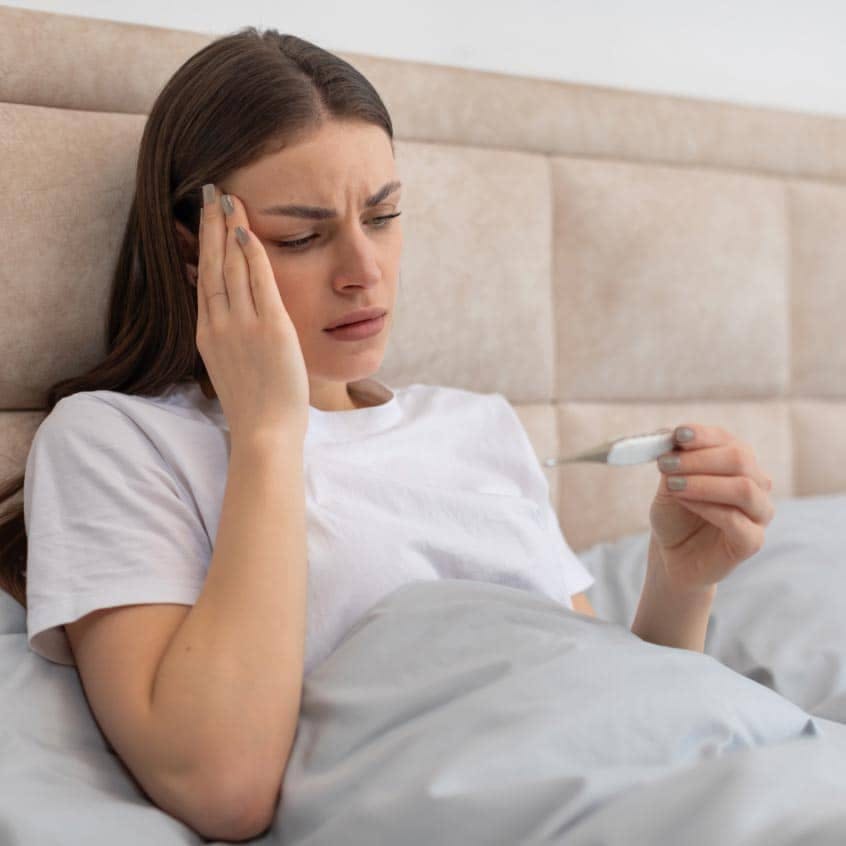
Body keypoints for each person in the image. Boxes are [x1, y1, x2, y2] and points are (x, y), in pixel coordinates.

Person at [5, 27, 601, 841]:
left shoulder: (477, 424)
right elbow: (222, 788)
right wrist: (268, 434)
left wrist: (685, 583)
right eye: (302, 236)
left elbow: (612, 695)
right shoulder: (116, 443)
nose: (365, 269)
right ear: (196, 250)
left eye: (384, 216)